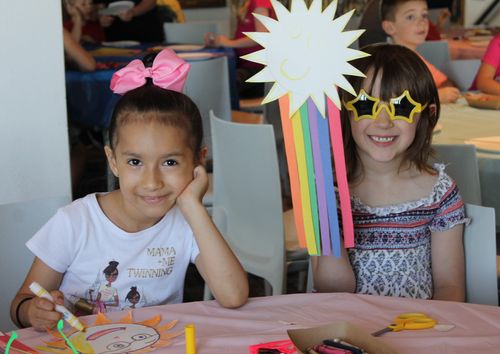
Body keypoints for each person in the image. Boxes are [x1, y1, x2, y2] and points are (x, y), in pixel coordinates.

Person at [10, 49, 249, 331]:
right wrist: (32, 312)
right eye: (135, 162)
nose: (152, 181)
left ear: (198, 161)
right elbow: (21, 302)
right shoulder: (75, 222)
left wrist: (194, 207)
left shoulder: (187, 223)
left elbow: (233, 296)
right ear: (113, 161)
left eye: (170, 162)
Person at [311, 44, 467, 301]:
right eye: (365, 104)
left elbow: (449, 286)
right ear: (346, 111)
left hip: (418, 331)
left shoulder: (439, 193)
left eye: (401, 107)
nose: (383, 122)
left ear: (426, 114)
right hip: (346, 332)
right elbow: (332, 290)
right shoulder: (329, 191)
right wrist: (326, 215)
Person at [380, 0, 460, 103]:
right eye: (410, 17)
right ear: (390, 27)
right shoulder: (388, 62)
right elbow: (392, 101)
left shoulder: (416, 59)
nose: (422, 22)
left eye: (424, 15)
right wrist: (434, 97)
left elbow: (447, 83)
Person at [204, 0, 274, 99]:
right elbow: (242, 37)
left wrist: (229, 43)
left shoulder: (260, 1)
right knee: (215, 79)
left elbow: (261, 36)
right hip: (246, 66)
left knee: (221, 84)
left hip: (257, 69)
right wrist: (218, 41)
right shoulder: (246, 4)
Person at [96, 0, 164, 42]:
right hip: (114, 36)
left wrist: (133, 12)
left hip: (146, 33)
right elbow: (99, 5)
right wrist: (102, 16)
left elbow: (150, 2)